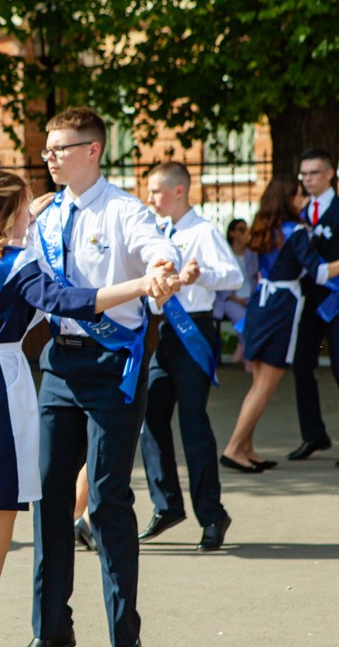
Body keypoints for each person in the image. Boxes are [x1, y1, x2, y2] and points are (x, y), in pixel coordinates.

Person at [0, 167, 178, 646]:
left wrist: (26, 204)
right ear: (8, 214)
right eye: (25, 208)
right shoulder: (17, 264)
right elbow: (71, 301)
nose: (32, 216)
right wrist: (141, 285)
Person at [29, 107, 181, 647]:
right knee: (49, 496)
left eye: (59, 149)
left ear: (92, 150)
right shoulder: (46, 215)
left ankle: (123, 635)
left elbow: (157, 249)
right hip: (59, 363)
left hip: (114, 365)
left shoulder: (122, 209)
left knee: (108, 498)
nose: (49, 158)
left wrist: (161, 268)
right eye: (47, 150)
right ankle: (51, 631)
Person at [136, 162, 242, 551]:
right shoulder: (161, 234)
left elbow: (234, 276)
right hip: (166, 332)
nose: (150, 199)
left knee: (193, 423)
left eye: (156, 191)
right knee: (149, 412)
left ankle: (212, 515)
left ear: (179, 191)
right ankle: (167, 505)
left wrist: (202, 276)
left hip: (194, 330)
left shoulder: (203, 231)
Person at [221, 177, 339, 471]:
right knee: (265, 386)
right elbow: (319, 273)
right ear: (288, 200)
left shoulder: (264, 228)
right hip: (281, 309)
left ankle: (245, 447)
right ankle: (234, 448)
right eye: (298, 195)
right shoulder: (295, 231)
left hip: (261, 306)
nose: (302, 200)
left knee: (259, 384)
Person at [289, 149, 339, 461]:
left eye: (314, 173)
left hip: (337, 302)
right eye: (303, 174)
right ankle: (314, 435)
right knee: (301, 365)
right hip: (310, 302)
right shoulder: (301, 211)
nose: (307, 179)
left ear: (330, 173)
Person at [214, 218, 259, 364]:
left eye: (247, 229)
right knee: (244, 320)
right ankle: (250, 360)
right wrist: (235, 299)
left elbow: (256, 277)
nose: (245, 233)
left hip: (251, 298)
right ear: (232, 233)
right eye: (241, 229)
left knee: (259, 319)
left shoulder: (252, 253)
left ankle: (244, 348)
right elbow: (219, 281)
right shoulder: (224, 254)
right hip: (230, 299)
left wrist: (252, 297)